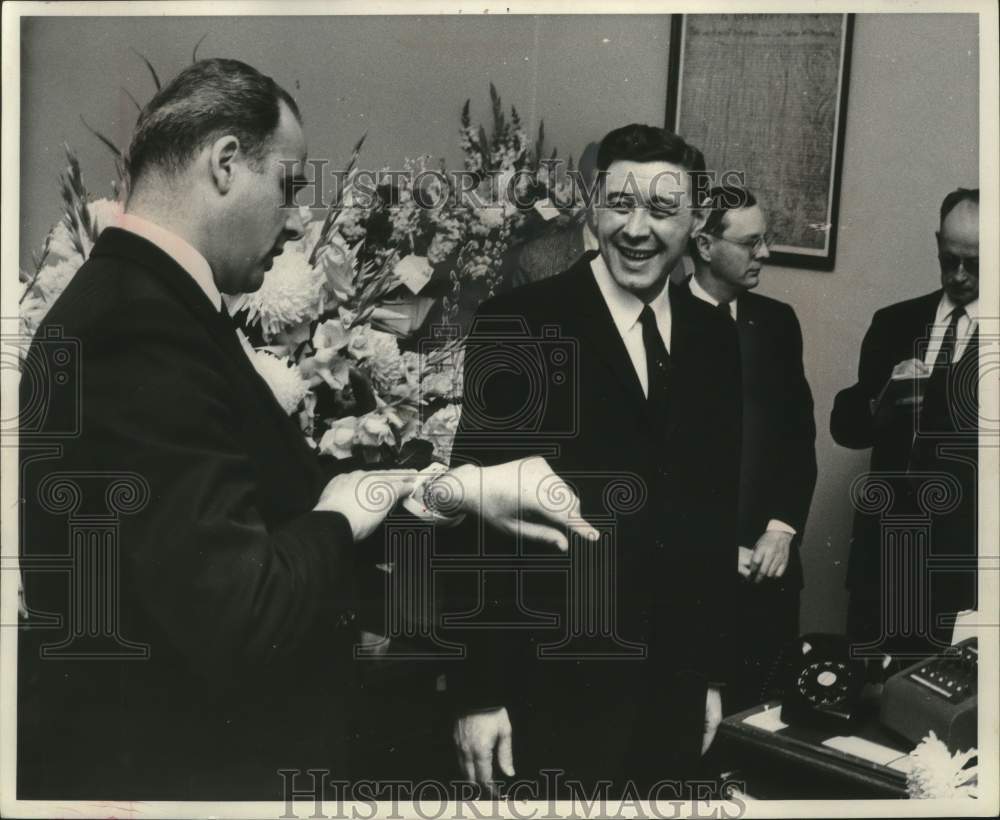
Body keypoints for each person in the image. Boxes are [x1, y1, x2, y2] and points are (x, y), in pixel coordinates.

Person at [17, 58, 594, 800]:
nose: (296, 220)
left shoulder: (146, 304)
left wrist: (460, 488)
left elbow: (280, 506)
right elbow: (242, 608)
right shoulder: (141, 327)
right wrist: (337, 524)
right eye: (289, 188)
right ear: (226, 162)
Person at [442, 124, 742, 796]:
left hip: (672, 692)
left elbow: (714, 515)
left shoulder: (714, 338)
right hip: (544, 690)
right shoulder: (519, 323)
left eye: (662, 211)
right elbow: (472, 515)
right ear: (592, 207)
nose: (636, 230)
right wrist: (477, 693)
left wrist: (710, 675)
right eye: (619, 205)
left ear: (695, 221)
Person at [830, 188, 979, 658]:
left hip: (966, 576)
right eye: (949, 259)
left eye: (975, 264)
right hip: (883, 565)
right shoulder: (895, 323)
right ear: (937, 242)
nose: (958, 276)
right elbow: (846, 427)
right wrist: (882, 402)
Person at [685, 185, 817, 711]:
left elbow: (796, 438)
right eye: (751, 242)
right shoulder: (657, 323)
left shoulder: (778, 323)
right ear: (704, 244)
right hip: (688, 580)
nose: (765, 253)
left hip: (770, 574)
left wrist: (781, 530)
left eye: (766, 240)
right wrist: (716, 547)